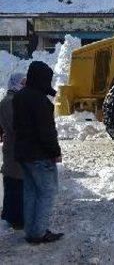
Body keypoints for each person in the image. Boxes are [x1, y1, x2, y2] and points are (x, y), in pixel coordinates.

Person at [13, 61, 63, 244]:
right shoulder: (41, 101)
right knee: (47, 193)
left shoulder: (19, 97)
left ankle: (31, 231)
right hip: (40, 155)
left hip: (23, 154)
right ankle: (40, 232)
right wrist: (55, 151)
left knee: (31, 192)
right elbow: (46, 132)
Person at [0, 73, 26, 230]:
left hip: (14, 147)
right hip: (15, 147)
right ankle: (15, 218)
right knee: (15, 183)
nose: (25, 85)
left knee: (13, 181)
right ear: (15, 83)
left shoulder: (11, 100)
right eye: (22, 83)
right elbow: (15, 126)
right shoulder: (10, 102)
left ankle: (10, 214)